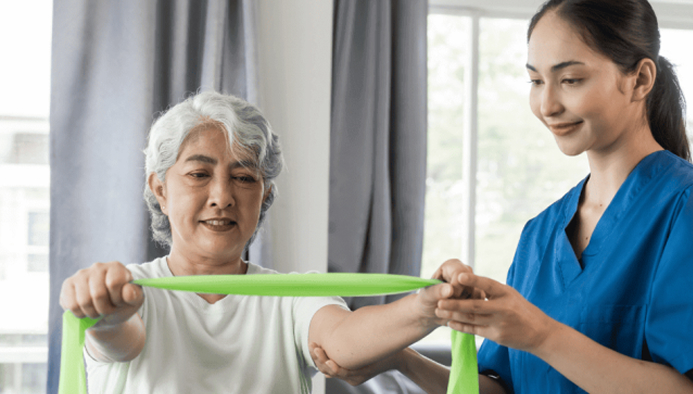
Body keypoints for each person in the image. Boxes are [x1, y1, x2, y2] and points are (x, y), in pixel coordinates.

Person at [311, 0, 693, 392]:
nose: (547, 105)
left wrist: (540, 335)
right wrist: (397, 357)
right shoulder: (541, 233)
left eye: (570, 80)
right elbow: (501, 389)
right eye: (535, 81)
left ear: (640, 80)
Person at [59, 90, 468, 393]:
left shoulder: (291, 297)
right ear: (160, 190)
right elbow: (119, 339)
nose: (222, 196)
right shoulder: (132, 290)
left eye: (243, 178)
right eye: (199, 174)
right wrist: (107, 312)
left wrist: (426, 308)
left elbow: (341, 342)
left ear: (265, 195)